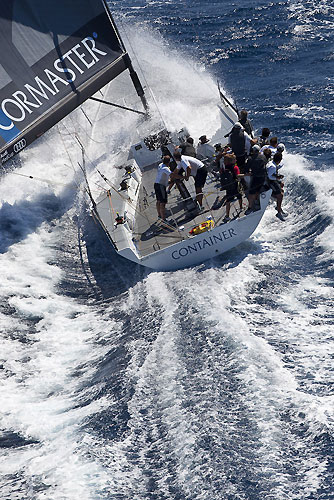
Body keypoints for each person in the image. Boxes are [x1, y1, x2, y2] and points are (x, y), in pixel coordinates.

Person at [220, 153, 243, 221]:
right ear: (231, 161)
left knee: (228, 200)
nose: (236, 160)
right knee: (239, 196)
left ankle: (227, 215)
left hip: (228, 186)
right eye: (234, 159)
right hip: (235, 185)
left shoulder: (223, 167)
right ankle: (241, 208)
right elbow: (237, 175)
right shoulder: (235, 167)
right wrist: (246, 175)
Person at [245, 145, 267, 213]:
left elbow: (247, 169)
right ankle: (257, 202)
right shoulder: (263, 157)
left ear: (253, 151)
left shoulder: (250, 158)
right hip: (263, 177)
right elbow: (265, 163)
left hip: (255, 177)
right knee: (258, 190)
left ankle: (250, 207)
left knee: (251, 193)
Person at [266, 152, 287, 221]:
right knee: (280, 195)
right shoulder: (273, 167)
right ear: (279, 161)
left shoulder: (271, 162)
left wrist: (278, 177)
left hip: (272, 179)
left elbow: (272, 174)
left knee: (282, 186)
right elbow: (269, 177)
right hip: (270, 181)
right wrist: (277, 178)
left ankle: (278, 205)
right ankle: (278, 212)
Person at [154, 155, 171, 220]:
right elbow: (172, 175)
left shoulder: (160, 165)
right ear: (168, 162)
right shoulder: (166, 168)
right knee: (163, 202)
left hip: (156, 184)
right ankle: (164, 219)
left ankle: (159, 215)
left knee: (158, 201)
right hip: (161, 186)